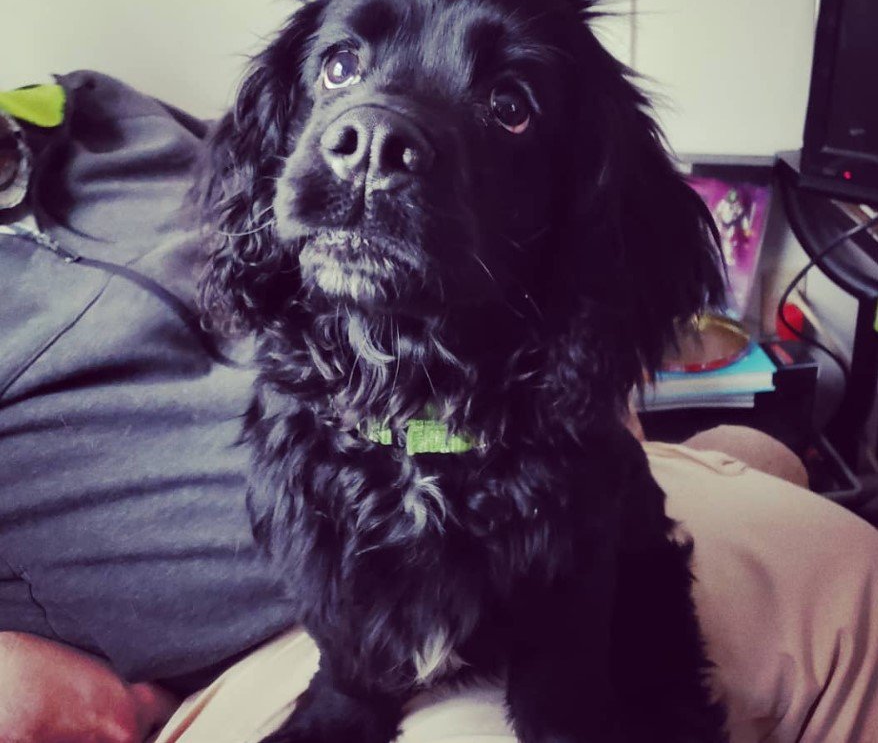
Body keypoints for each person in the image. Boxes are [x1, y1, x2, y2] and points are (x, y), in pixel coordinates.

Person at [1, 72, 876, 743]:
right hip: (279, 642)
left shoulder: (98, 110)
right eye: (345, 66)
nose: (366, 132)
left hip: (550, 456)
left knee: (847, 550)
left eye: (507, 101)